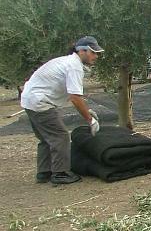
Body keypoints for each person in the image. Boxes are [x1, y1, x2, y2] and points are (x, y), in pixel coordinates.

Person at [21, 36, 104, 185]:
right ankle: (60, 173)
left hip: (30, 100)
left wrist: (87, 110)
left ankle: (44, 172)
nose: (96, 56)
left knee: (46, 138)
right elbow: (75, 97)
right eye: (93, 52)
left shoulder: (67, 61)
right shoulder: (74, 66)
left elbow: (71, 95)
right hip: (41, 103)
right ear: (82, 51)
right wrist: (89, 120)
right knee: (60, 136)